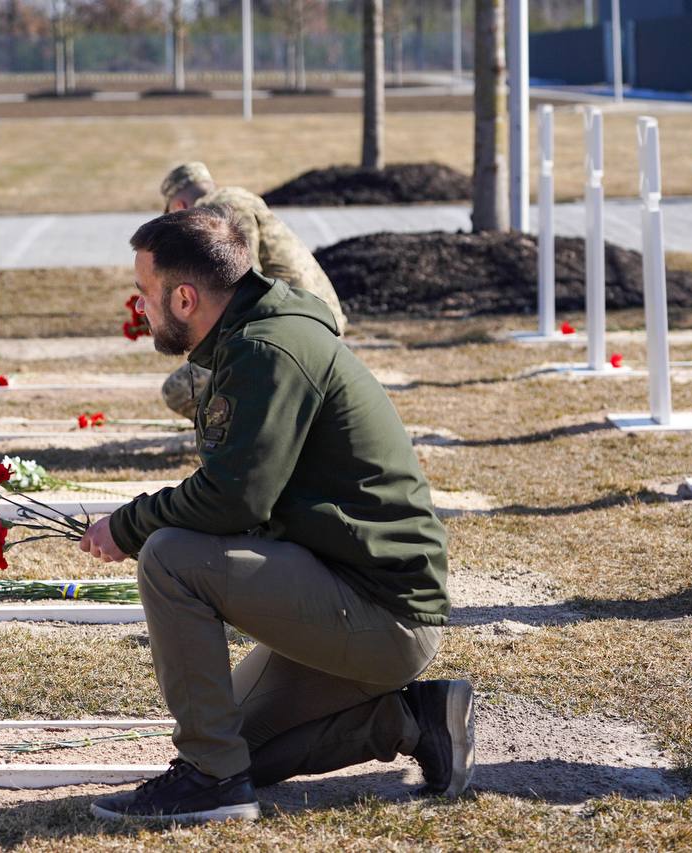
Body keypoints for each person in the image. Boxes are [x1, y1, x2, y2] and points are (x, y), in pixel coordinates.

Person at [79, 208, 471, 824]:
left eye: (144, 294)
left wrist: (126, 527)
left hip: (381, 611)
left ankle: (210, 784)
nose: (140, 309)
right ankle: (412, 722)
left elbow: (234, 499)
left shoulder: (265, 348)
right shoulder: (251, 334)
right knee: (240, 747)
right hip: (351, 591)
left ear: (185, 298)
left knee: (168, 556)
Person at [157, 161, 346, 420]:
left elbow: (243, 280)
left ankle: (242, 439)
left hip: (298, 330)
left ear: (179, 207)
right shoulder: (234, 198)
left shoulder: (215, 209)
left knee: (180, 390)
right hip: (315, 319)